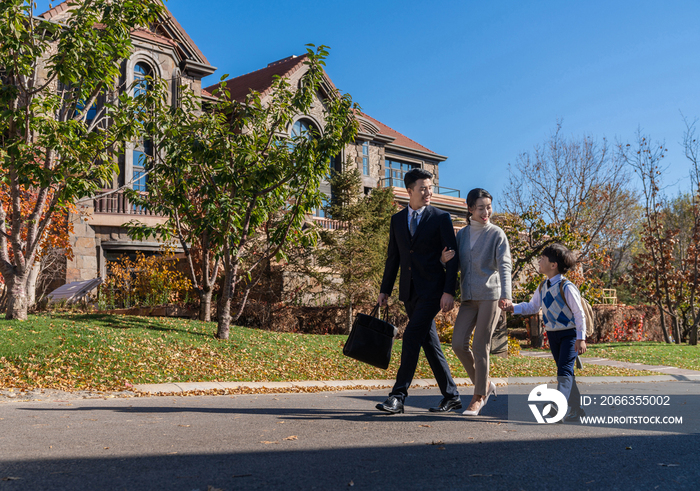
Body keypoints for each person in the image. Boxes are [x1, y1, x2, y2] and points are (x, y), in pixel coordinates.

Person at [376, 168, 461, 414]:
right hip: (409, 291)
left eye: (430, 188)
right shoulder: (397, 220)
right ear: (409, 190)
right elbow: (394, 258)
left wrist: (449, 292)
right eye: (423, 188)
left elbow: (453, 258)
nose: (428, 192)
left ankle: (397, 396)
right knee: (430, 343)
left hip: (433, 290)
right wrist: (385, 290)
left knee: (412, 337)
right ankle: (452, 395)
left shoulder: (441, 217)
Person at [441, 188, 512, 416]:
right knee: (458, 344)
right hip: (469, 297)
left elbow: (504, 265)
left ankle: (478, 396)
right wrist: (443, 261)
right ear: (470, 208)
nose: (486, 212)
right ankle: (486, 384)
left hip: (491, 296)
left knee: (481, 347)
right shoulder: (461, 235)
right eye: (480, 207)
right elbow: (458, 266)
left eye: (488, 207)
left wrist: (506, 294)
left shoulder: (496, 234)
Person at [505, 243, 587, 422]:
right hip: (553, 334)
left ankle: (558, 408)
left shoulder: (567, 287)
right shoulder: (543, 286)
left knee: (564, 371)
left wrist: (580, 338)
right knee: (565, 371)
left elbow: (579, 314)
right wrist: (513, 307)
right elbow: (533, 306)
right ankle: (577, 408)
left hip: (569, 335)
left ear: (553, 265)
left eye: (542, 258)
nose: (539, 261)